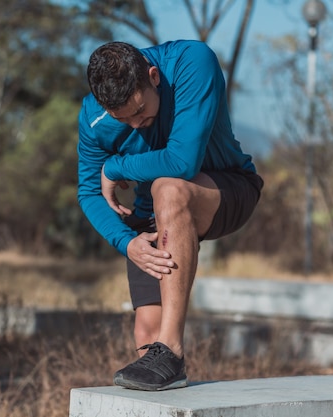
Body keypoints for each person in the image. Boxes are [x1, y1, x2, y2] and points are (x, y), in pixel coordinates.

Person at [77, 40, 263, 391]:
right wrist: (126, 242)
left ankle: (172, 351)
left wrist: (116, 166)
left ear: (153, 76)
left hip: (226, 188)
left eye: (140, 110)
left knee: (169, 188)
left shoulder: (192, 62)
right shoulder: (93, 118)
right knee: (147, 334)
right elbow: (88, 191)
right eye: (124, 119)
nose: (136, 125)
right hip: (153, 219)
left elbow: (182, 162)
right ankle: (163, 363)